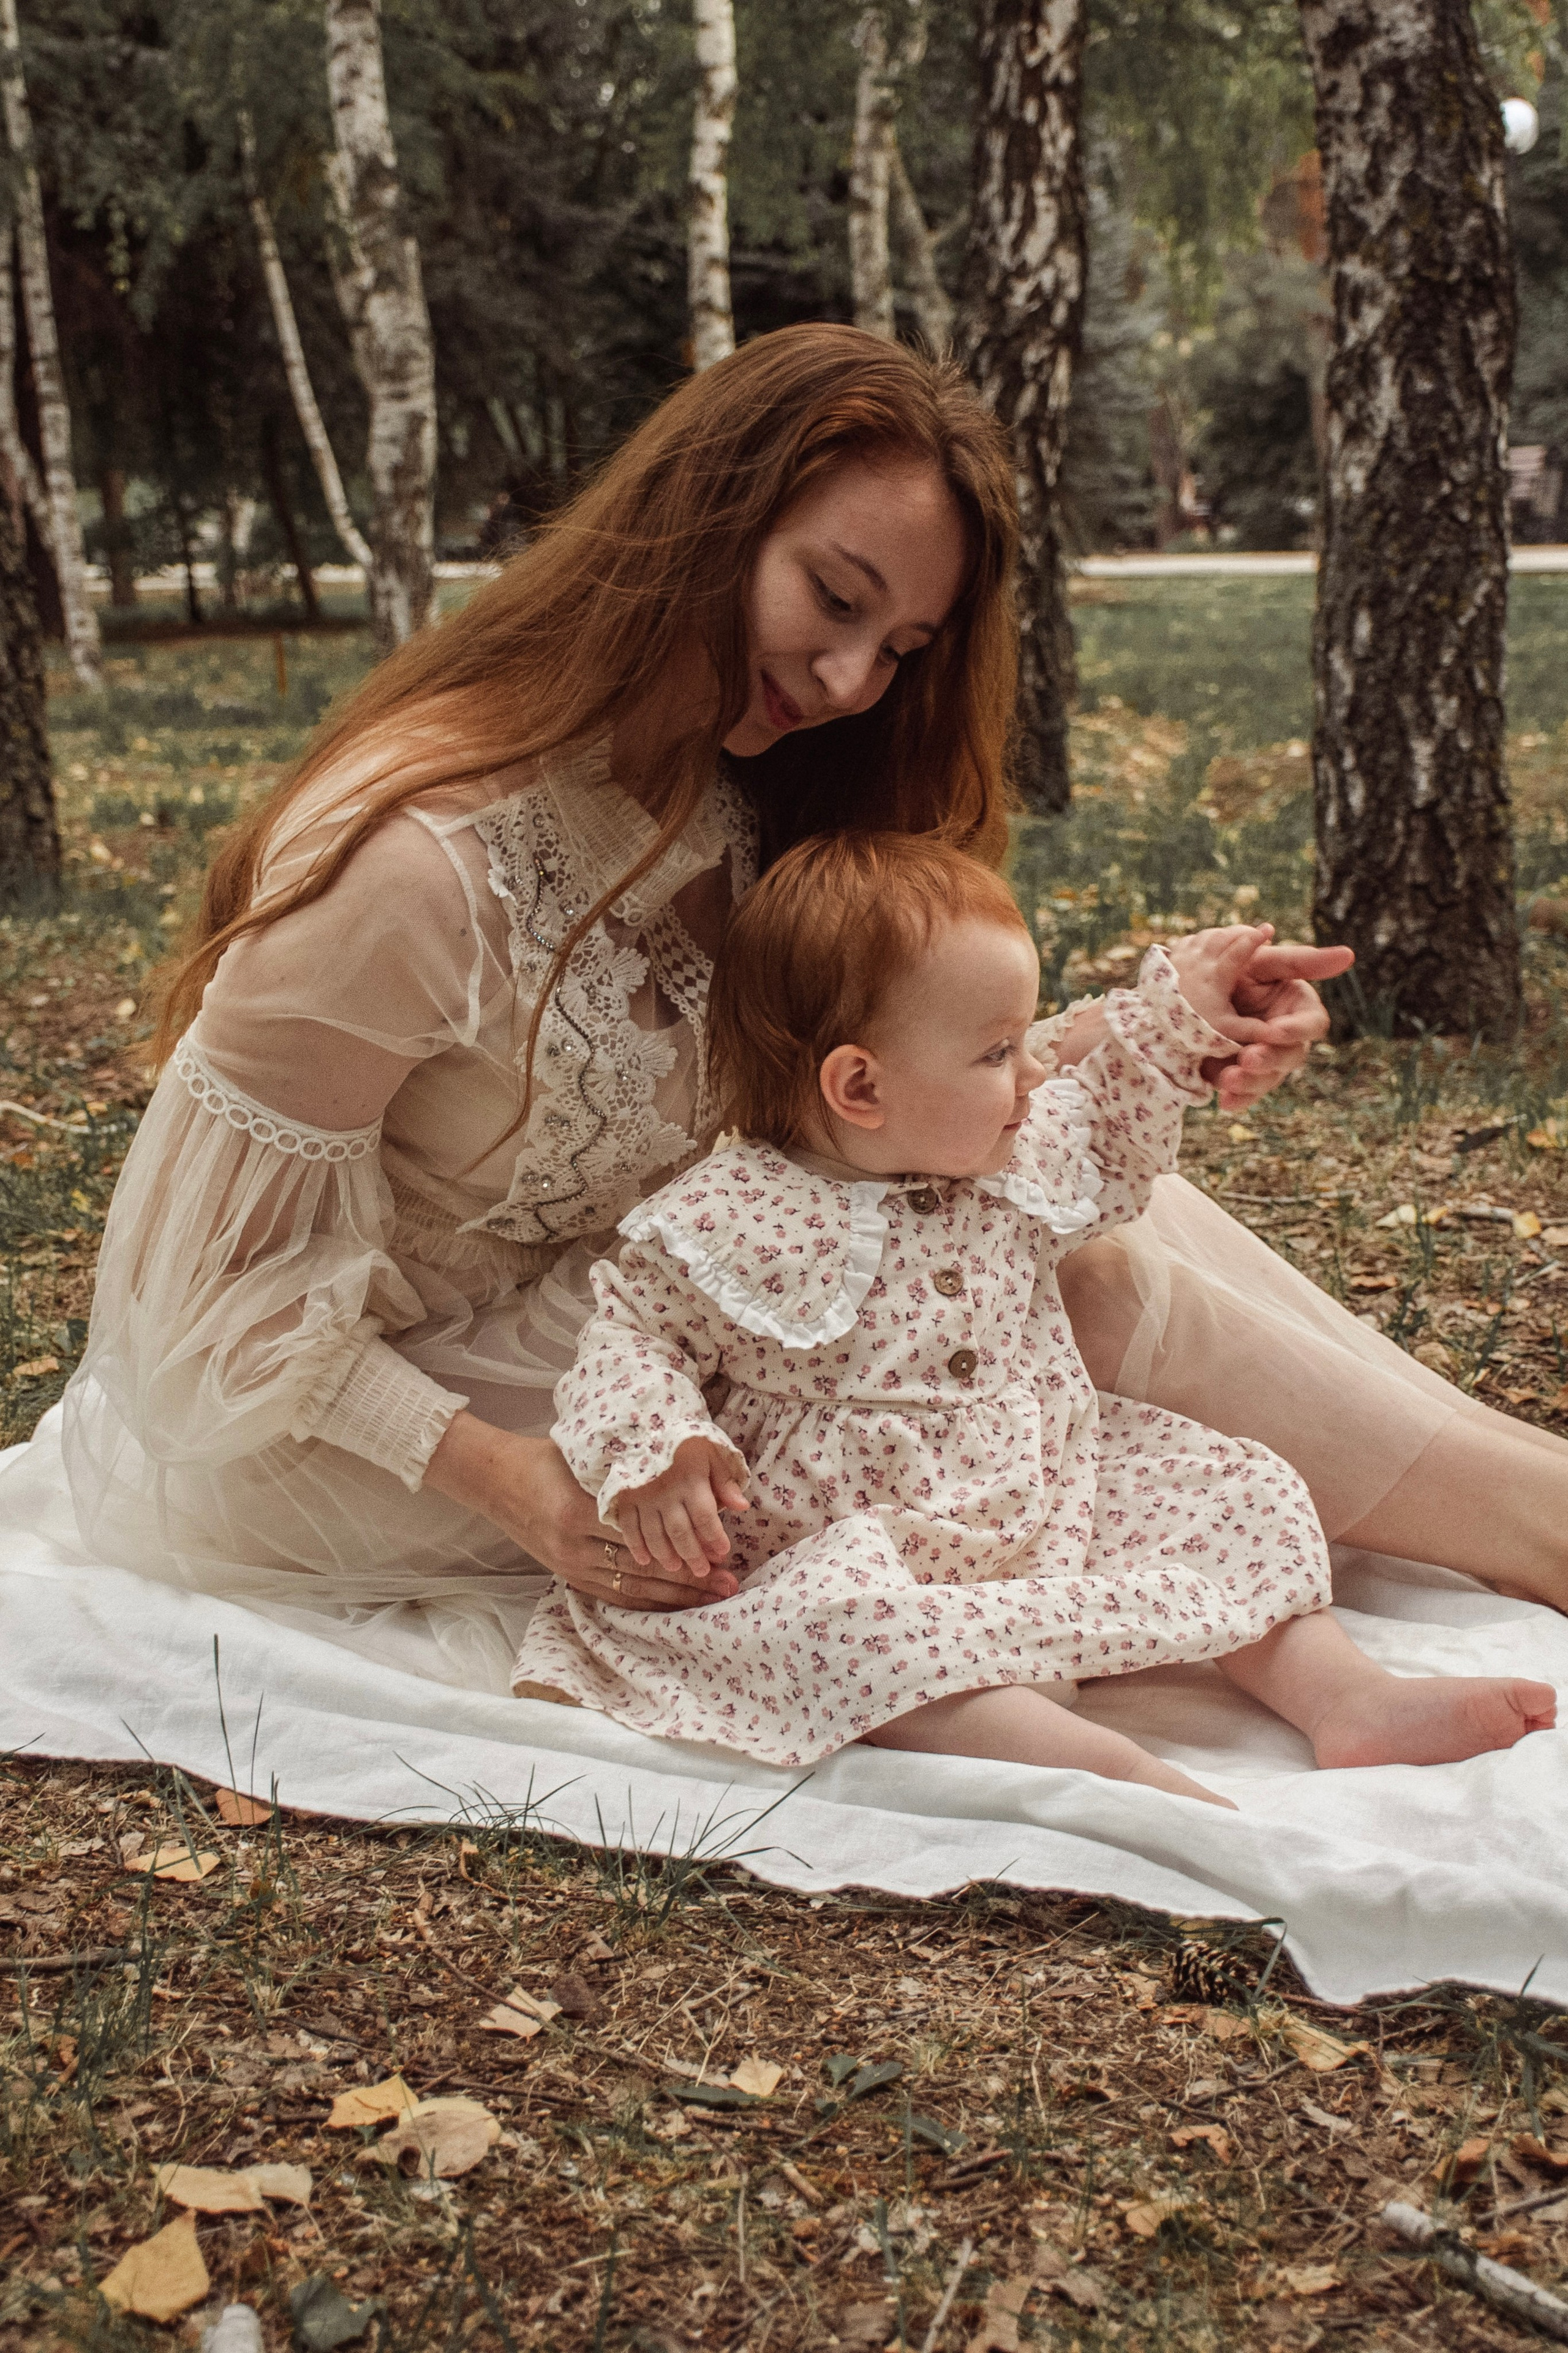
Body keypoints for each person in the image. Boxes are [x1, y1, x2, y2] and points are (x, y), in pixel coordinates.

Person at [51, 324, 1568, 1697]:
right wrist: (525, 1484)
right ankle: (1532, 1524)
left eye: (900, 648)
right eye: (831, 599)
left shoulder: (731, 790)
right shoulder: (409, 866)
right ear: (704, 515)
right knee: (1039, 1264)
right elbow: (206, 1317)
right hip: (377, 1417)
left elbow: (877, 1112)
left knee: (1019, 1220)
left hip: (644, 1304)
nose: (850, 679)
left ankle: (1531, 1506)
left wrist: (1168, 1017)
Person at [514, 834, 1556, 1791]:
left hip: (1047, 1482)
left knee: (1232, 1489)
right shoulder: (730, 1215)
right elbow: (631, 1335)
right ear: (860, 1087)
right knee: (852, 1635)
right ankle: (1080, 1762)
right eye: (998, 1051)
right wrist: (661, 1448)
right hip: (860, 1531)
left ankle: (1343, 1697)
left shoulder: (1007, 1157)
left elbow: (1104, 1104)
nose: (1032, 1071)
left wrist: (1179, 1013)